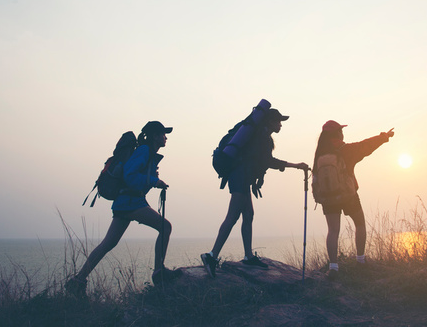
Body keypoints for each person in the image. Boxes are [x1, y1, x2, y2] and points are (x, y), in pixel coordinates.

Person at [65, 121, 181, 297]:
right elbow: (129, 175)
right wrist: (153, 181)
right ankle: (159, 272)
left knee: (108, 243)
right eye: (163, 134)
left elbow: (135, 175)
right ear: (156, 136)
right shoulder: (144, 151)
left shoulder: (147, 152)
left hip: (125, 202)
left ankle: (78, 280)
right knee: (165, 227)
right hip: (131, 202)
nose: (166, 138)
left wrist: (153, 179)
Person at [201, 108, 309, 277]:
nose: (280, 124)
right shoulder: (262, 138)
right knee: (233, 216)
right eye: (278, 121)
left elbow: (259, 162)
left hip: (241, 176)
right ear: (270, 122)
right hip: (241, 177)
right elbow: (268, 161)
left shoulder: (261, 136)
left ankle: (248, 256)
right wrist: (295, 165)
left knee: (249, 215)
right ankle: (211, 256)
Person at [313, 120, 394, 280]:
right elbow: (365, 146)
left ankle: (334, 267)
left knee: (333, 231)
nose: (342, 133)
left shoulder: (319, 154)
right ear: (337, 133)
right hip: (348, 195)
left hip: (329, 198)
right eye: (340, 130)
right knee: (360, 224)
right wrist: (384, 137)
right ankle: (361, 260)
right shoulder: (345, 150)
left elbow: (316, 178)